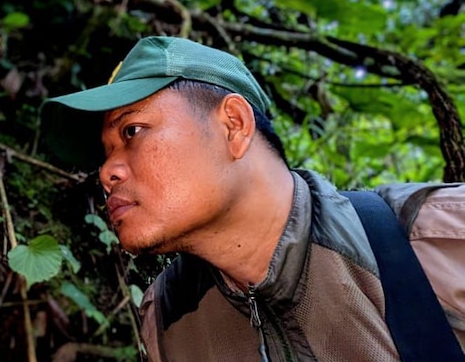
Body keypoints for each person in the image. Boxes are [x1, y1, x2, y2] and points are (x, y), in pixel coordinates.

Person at [42, 35, 465, 361]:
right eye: (106, 153)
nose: (107, 172)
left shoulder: (437, 237)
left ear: (233, 124)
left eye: (132, 131)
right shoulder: (167, 318)